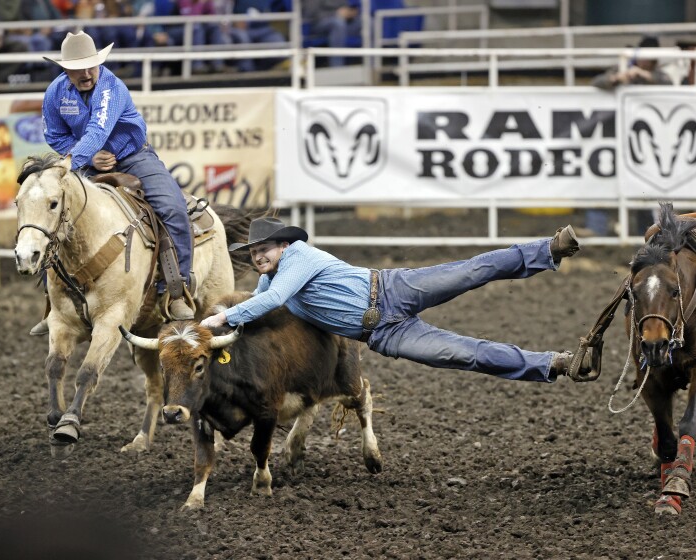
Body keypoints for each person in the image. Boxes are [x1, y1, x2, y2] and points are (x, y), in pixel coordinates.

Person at [199, 217, 594, 383]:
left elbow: (272, 300)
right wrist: (224, 313)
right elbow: (257, 300)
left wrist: (219, 320)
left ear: (285, 246)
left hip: (390, 289)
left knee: (472, 271)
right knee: (464, 355)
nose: (257, 258)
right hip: (386, 333)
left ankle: (548, 249)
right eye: (252, 254)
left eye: (263, 250)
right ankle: (556, 363)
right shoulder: (272, 280)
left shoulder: (298, 258)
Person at [33, 31, 195, 335]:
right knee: (55, 216)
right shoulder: (55, 93)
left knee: (172, 208)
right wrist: (89, 160)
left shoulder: (111, 87)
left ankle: (178, 288)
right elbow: (53, 135)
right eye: (78, 67)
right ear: (65, 69)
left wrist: (72, 161)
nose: (86, 73)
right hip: (88, 162)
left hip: (134, 156)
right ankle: (53, 303)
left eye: (91, 65)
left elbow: (97, 131)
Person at [589, 35, 671, 238]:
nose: (645, 62)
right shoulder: (622, 69)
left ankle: (650, 233)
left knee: (650, 190)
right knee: (604, 179)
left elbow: (669, 85)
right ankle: (598, 229)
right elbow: (597, 82)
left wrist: (644, 77)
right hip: (623, 138)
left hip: (651, 143)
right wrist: (618, 78)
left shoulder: (660, 75)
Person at [302, 0, 361, 67]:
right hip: (319, 24)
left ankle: (373, 67)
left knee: (368, 23)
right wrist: (335, 14)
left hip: (346, 22)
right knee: (338, 24)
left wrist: (350, 13)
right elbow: (310, 13)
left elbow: (345, 7)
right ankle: (337, 67)